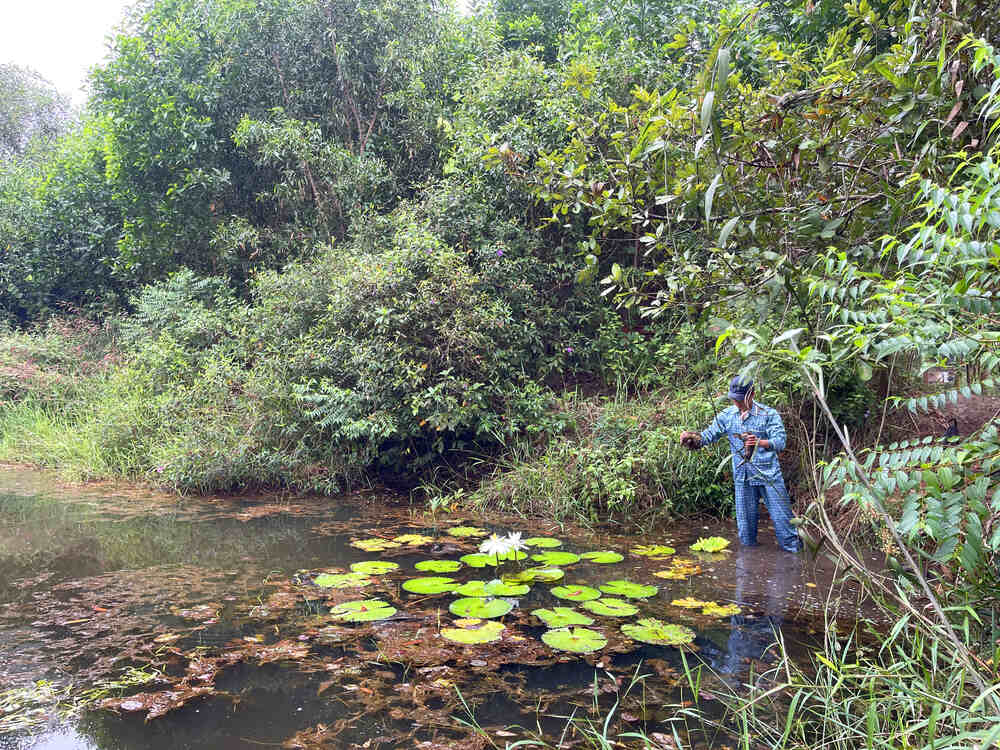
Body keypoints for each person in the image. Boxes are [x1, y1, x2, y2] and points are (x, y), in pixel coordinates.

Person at [680, 376, 801, 553]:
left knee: (785, 525)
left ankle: (795, 561)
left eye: (740, 398)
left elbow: (780, 442)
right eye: (734, 399)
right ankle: (749, 567)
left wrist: (759, 442)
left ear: (752, 394)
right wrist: (691, 438)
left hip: (769, 476)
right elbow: (707, 436)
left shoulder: (768, 414)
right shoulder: (727, 416)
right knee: (746, 532)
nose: (737, 403)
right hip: (742, 477)